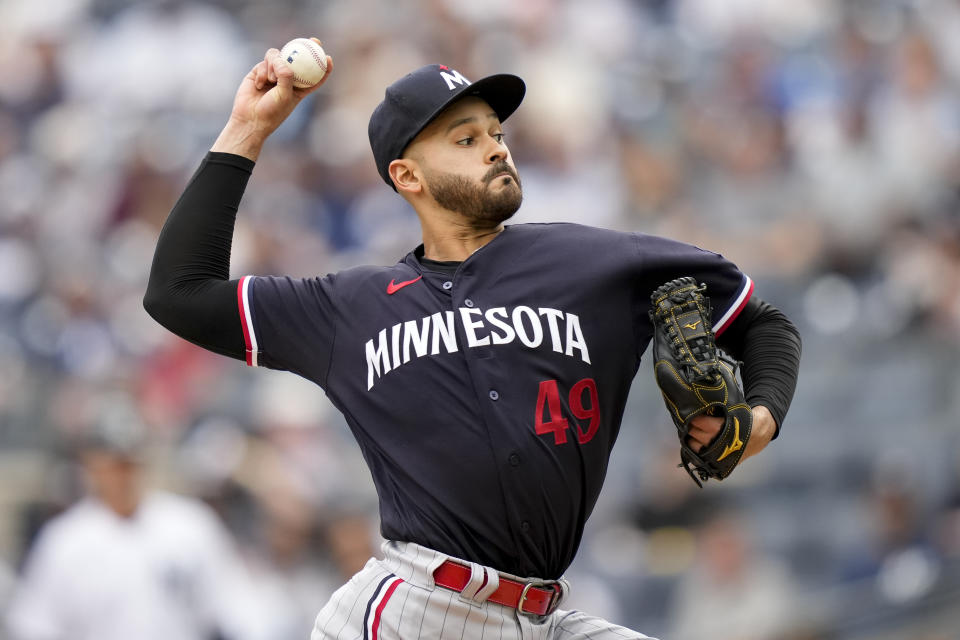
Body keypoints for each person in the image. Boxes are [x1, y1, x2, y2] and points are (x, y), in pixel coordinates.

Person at [143, 40, 802, 639]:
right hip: (413, 614)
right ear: (407, 177)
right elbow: (179, 292)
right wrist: (250, 129)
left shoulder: (593, 262)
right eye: (465, 138)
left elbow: (761, 322)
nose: (495, 147)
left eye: (496, 132)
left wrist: (764, 413)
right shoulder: (349, 307)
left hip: (542, 615)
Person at [4, 412, 256, 640]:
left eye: (129, 460)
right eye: (113, 462)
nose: (123, 473)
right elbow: (35, 626)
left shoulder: (191, 524)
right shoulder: (64, 540)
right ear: (92, 464)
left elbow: (232, 609)